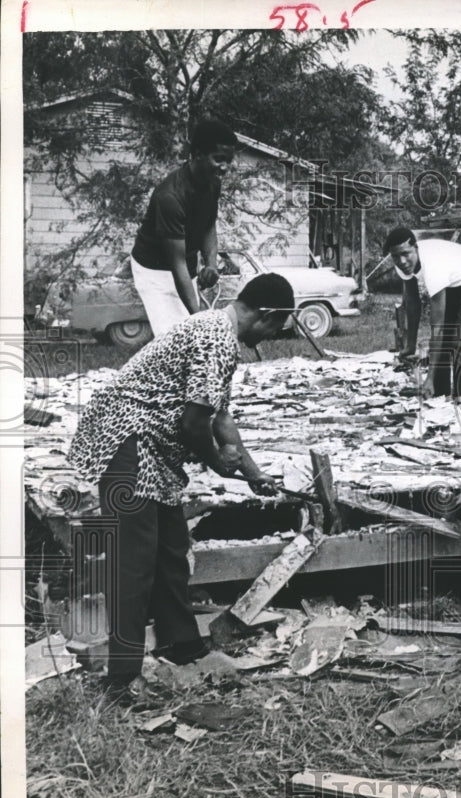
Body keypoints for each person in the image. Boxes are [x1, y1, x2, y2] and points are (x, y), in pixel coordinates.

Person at [67, 274, 294, 701]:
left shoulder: (218, 331)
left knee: (171, 549)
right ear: (266, 316)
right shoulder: (215, 338)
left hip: (154, 450)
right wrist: (215, 461)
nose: (274, 337)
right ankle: (121, 679)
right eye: (277, 328)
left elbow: (219, 417)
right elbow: (194, 425)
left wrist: (251, 471)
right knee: (134, 565)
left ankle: (182, 645)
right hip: (128, 442)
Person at [130, 118, 238, 337]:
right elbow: (176, 263)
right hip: (155, 270)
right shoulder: (170, 197)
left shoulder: (212, 183)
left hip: (184, 265)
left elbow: (208, 225)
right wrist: (199, 317)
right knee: (174, 336)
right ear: (197, 154)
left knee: (190, 333)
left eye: (229, 160)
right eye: (219, 159)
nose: (225, 168)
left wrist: (211, 263)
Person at [383, 227, 461, 401]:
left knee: (460, 343)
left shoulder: (433, 267)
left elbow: (437, 330)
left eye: (406, 254)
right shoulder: (402, 264)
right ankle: (439, 397)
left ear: (416, 248)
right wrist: (410, 345)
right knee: (444, 345)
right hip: (453, 280)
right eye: (396, 256)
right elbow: (413, 305)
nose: (402, 261)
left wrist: (429, 378)